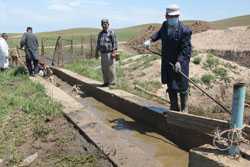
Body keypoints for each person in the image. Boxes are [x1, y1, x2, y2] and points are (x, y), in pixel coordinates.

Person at [144, 4, 192, 112]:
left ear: (178, 16)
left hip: (181, 63)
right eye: (169, 17)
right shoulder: (165, 25)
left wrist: (179, 61)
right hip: (168, 61)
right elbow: (159, 34)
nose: (171, 19)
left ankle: (184, 110)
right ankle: (174, 108)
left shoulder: (185, 31)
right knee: (171, 87)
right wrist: (150, 40)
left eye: (173, 17)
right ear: (166, 16)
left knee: (182, 87)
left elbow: (186, 50)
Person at [96, 19, 118, 87]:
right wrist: (96, 52)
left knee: (111, 68)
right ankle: (106, 82)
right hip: (103, 53)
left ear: (108, 24)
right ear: (101, 25)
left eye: (106, 24)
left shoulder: (111, 32)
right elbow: (98, 44)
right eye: (103, 24)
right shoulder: (100, 33)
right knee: (104, 68)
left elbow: (115, 42)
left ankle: (112, 83)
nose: (104, 25)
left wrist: (114, 52)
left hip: (110, 53)